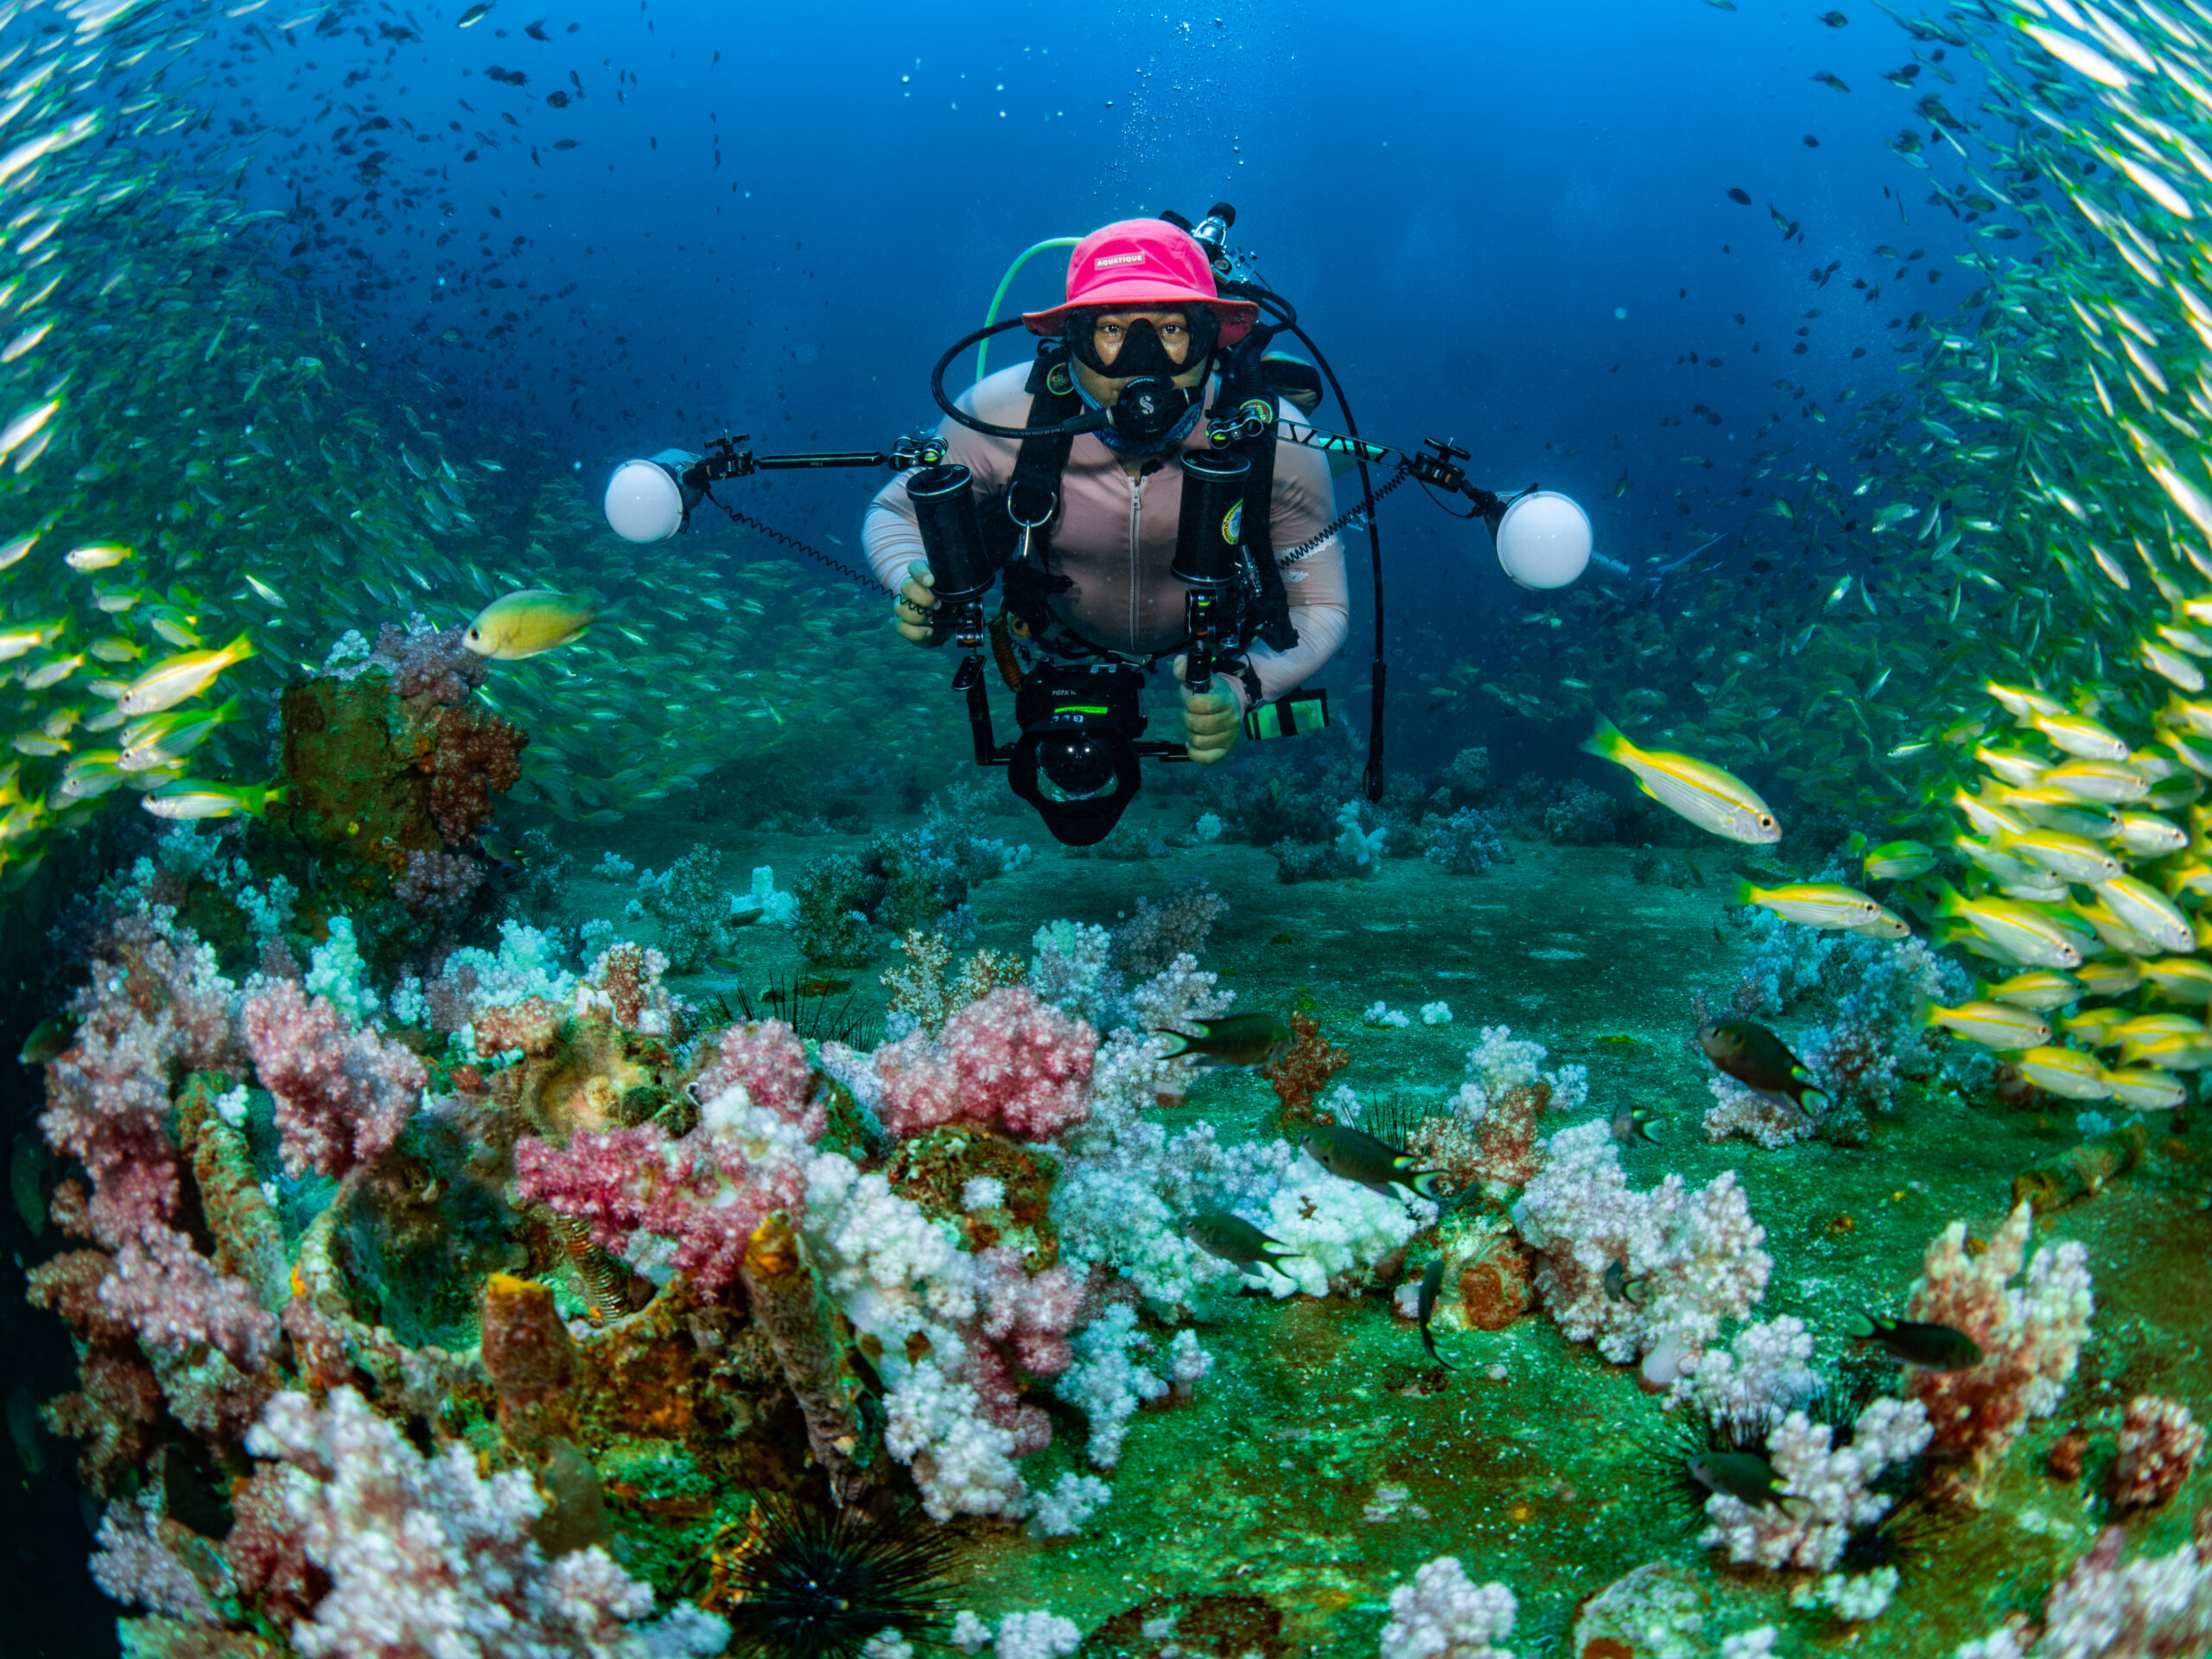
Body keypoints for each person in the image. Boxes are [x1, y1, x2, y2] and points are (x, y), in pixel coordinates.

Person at [862, 218, 1348, 765]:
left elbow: (1320, 603)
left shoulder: (1273, 438)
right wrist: (916, 586)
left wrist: (1242, 686)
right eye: (1111, 330)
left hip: (1211, 642)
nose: (1142, 362)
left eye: (1172, 329)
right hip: (1056, 636)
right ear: (1072, 339)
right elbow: (896, 514)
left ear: (1210, 341)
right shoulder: (998, 415)